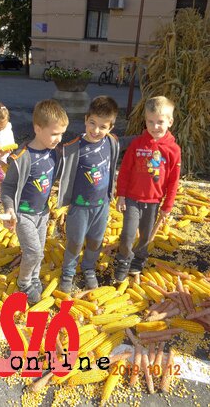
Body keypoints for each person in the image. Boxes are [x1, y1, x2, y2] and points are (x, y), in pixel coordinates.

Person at [58, 95, 134, 293]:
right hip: (79, 207)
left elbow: (130, 141)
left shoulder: (111, 143)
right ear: (85, 119)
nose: (96, 130)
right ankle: (68, 271)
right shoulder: (74, 147)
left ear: (111, 128)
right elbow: (53, 157)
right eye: (92, 123)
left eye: (102, 126)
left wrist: (150, 138)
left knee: (95, 241)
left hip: (102, 206)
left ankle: (88, 267)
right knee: (75, 242)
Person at [1, 99, 68, 305]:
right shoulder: (22, 157)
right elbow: (8, 187)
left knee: (39, 249)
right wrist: (10, 209)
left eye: (62, 134)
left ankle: (33, 277)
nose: (59, 138)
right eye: (55, 133)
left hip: (43, 212)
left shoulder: (54, 153)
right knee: (34, 251)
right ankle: (24, 283)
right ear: (38, 128)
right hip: (23, 214)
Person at [115, 96, 181, 282]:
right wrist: (121, 195)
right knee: (128, 234)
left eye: (160, 122)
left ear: (170, 121)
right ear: (145, 121)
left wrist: (167, 205)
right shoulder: (137, 144)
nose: (155, 126)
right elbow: (125, 171)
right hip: (132, 199)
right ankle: (123, 261)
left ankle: (138, 261)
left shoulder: (173, 150)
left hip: (153, 201)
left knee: (145, 236)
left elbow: (173, 181)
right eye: (150, 122)